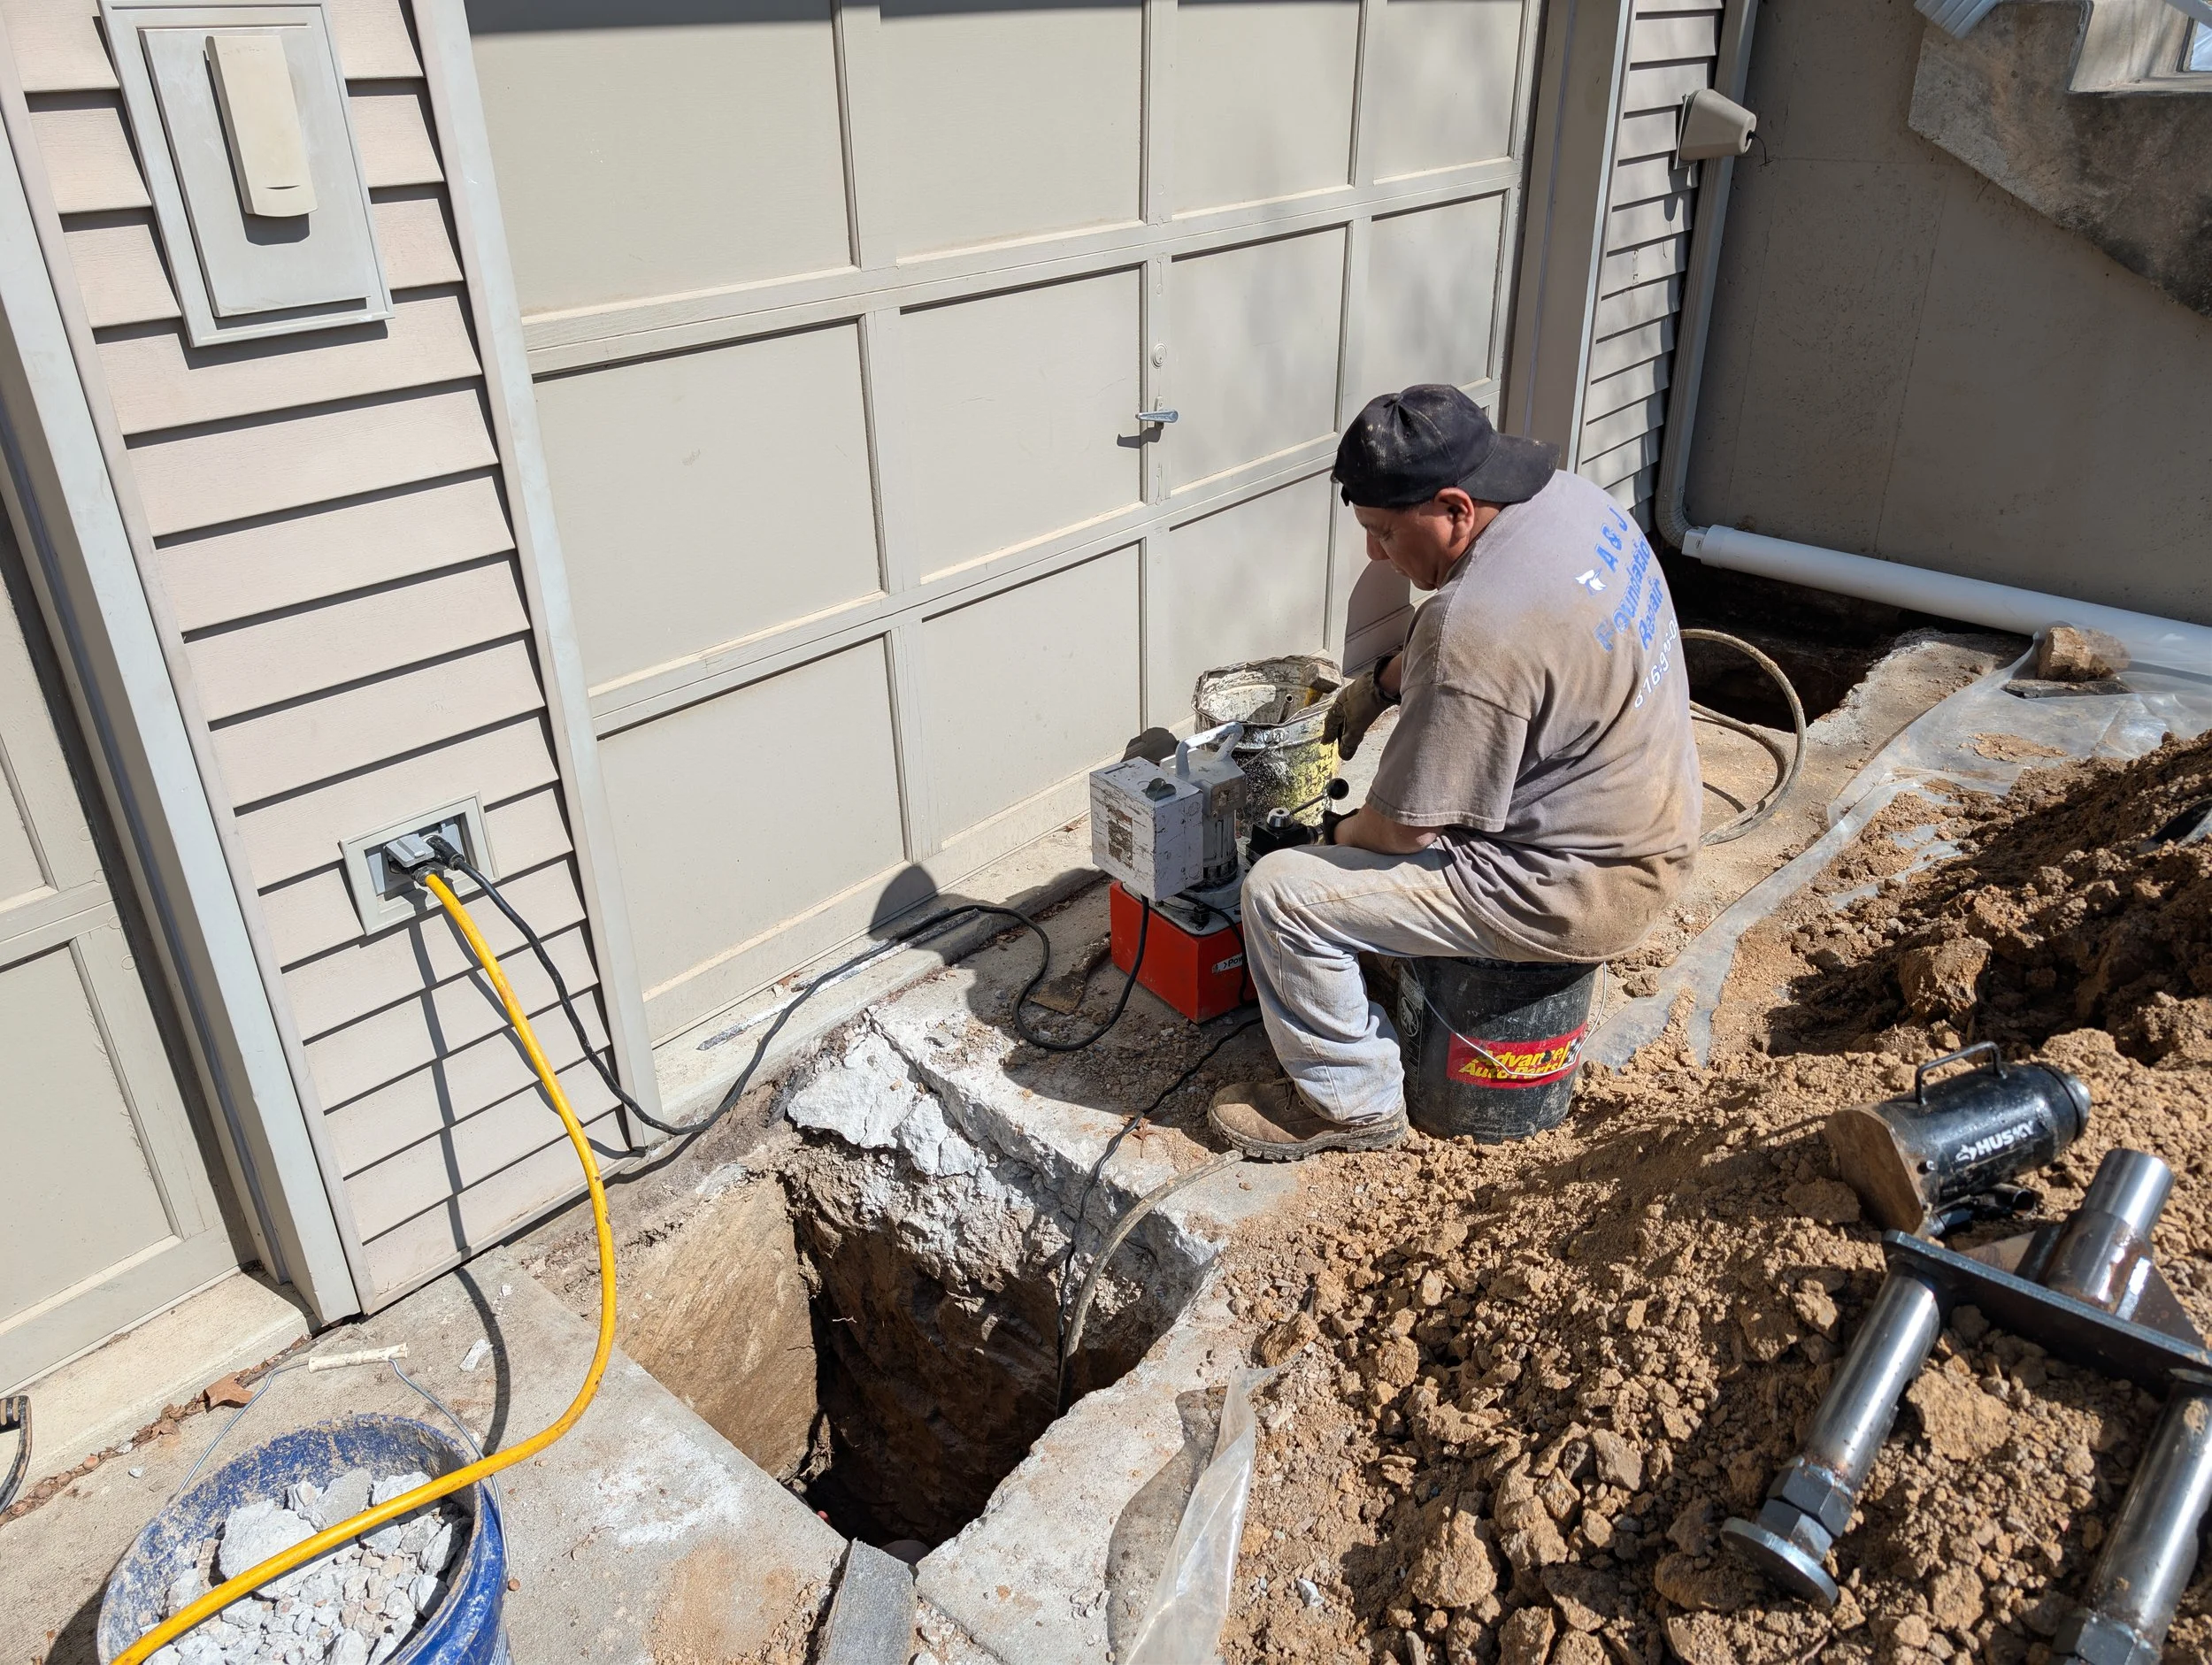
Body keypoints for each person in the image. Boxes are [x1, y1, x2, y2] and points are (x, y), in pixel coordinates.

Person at [1207, 384, 1702, 1160]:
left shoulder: (1473, 626)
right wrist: (1383, 684)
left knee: (1281, 897)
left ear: (1454, 510)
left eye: (1381, 532)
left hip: (1577, 889)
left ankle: (1353, 1105)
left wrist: (1326, 836)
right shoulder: (1569, 504)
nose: (1375, 553)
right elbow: (1509, 648)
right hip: (1650, 815)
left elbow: (1402, 829)